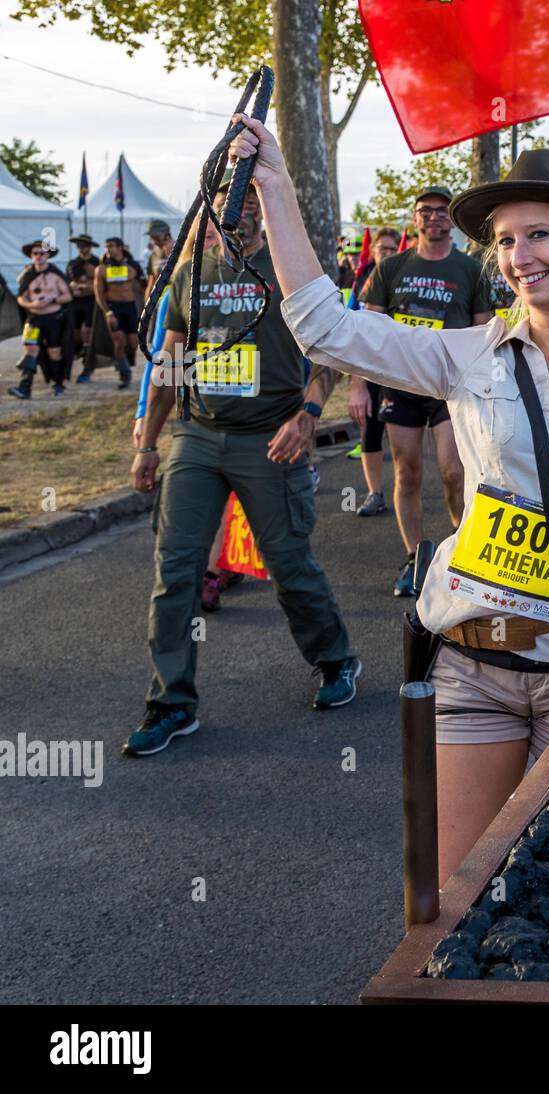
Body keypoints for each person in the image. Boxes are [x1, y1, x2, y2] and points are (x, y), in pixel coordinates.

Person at [228, 117, 549, 884]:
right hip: (472, 666)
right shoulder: (467, 356)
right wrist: (275, 180)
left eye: (538, 235)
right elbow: (323, 328)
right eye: (506, 242)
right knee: (455, 893)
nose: (519, 258)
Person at [125, 172, 360, 758]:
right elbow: (169, 365)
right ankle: (171, 703)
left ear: (265, 209)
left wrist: (306, 416)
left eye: (251, 199)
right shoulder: (189, 274)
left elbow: (329, 356)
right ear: (208, 213)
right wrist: (148, 443)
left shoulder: (292, 275)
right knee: (175, 571)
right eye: (227, 202)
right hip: (197, 437)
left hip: (270, 440)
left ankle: (335, 659)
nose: (238, 211)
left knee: (288, 564)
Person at [360, 186, 490, 596]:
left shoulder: (469, 270)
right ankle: (415, 558)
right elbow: (367, 331)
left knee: (454, 471)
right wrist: (358, 386)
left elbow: (483, 332)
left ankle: (461, 547)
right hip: (401, 384)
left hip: (450, 386)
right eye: (425, 211)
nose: (433, 217)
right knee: (407, 471)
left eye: (441, 211)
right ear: (414, 219)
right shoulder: (391, 268)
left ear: (450, 220)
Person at [345, 226, 400, 517]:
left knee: (403, 436)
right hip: (369, 367)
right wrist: (357, 384)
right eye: (383, 249)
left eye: (393, 249)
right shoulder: (361, 281)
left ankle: (405, 488)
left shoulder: (403, 277)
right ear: (374, 252)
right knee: (370, 431)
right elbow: (354, 326)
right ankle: (374, 493)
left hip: (400, 369)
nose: (387, 254)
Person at [8, 241, 72, 400]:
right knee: (30, 349)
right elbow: (21, 298)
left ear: (47, 255)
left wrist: (53, 299)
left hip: (53, 319)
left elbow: (68, 296)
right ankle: (24, 388)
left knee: (54, 352)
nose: (38, 256)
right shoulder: (27, 275)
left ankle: (58, 383)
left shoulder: (55, 274)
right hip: (33, 319)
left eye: (41, 253)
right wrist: (31, 304)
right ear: (31, 256)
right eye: (35, 253)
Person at [94, 236, 142, 388]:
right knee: (119, 342)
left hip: (130, 307)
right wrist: (108, 313)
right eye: (106, 246)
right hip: (114, 308)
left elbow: (145, 283)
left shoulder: (132, 265)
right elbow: (99, 293)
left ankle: (124, 362)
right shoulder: (101, 269)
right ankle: (124, 374)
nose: (108, 249)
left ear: (120, 247)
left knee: (133, 344)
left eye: (111, 246)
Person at [65, 234, 100, 367]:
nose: (81, 248)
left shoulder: (97, 262)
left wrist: (90, 285)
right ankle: (78, 349)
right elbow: (67, 280)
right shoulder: (73, 263)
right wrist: (71, 285)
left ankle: (88, 353)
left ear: (90, 247)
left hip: (91, 299)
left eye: (84, 246)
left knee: (88, 328)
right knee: (75, 330)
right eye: (79, 246)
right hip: (76, 300)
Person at [144, 219, 174, 301]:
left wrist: (171, 254)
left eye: (155, 236)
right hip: (159, 303)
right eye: (151, 236)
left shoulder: (182, 249)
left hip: (176, 300)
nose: (152, 239)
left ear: (166, 233)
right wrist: (146, 308)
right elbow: (151, 283)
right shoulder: (153, 255)